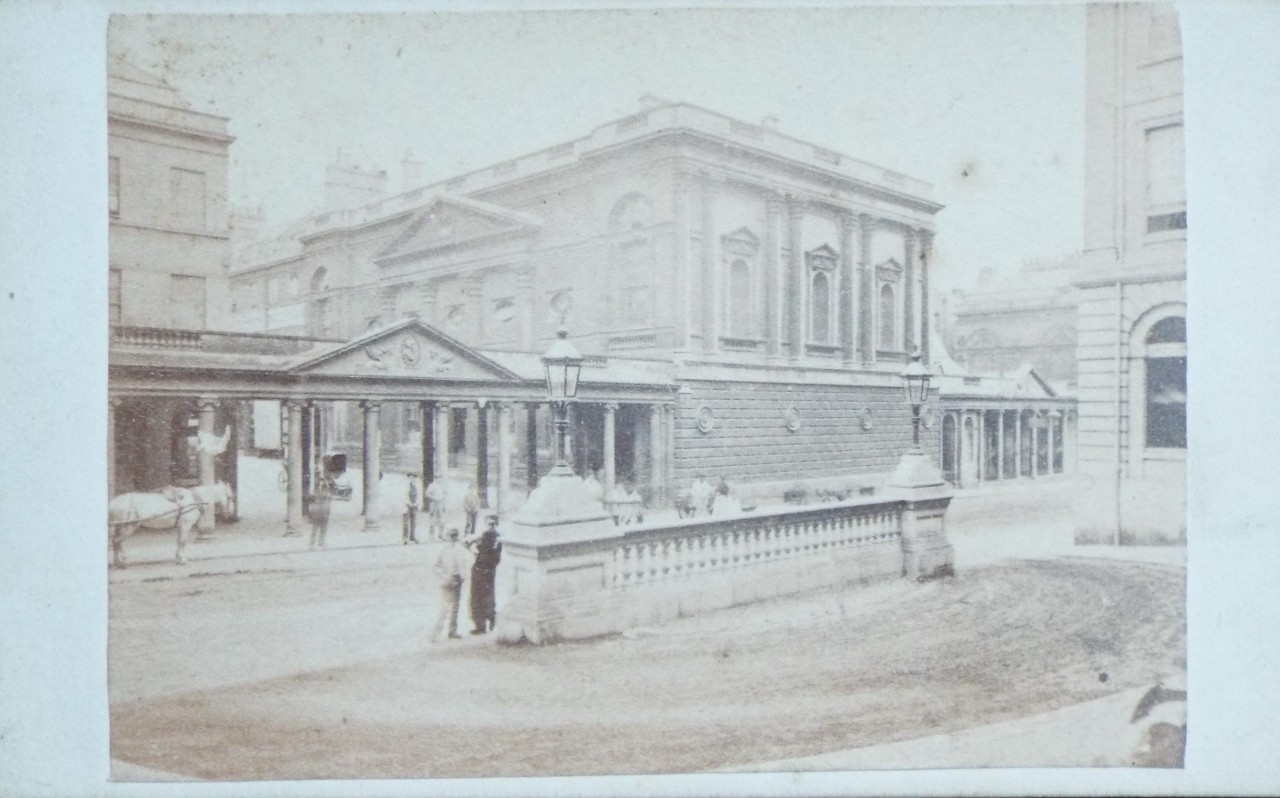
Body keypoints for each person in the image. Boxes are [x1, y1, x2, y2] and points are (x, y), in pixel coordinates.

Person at [430, 528, 471, 642]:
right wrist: (444, 576)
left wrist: (462, 576)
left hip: (457, 579)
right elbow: (435, 566)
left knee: (455, 608)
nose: (453, 538)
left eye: (455, 535)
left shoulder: (459, 549)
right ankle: (435, 633)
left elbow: (464, 564)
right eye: (451, 535)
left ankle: (452, 631)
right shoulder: (442, 550)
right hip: (446, 580)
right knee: (444, 608)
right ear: (446, 536)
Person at [466, 514, 503, 634]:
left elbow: (467, 543)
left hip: (485, 569)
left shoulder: (494, 537)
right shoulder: (491, 536)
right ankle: (482, 624)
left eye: (493, 524)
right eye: (489, 524)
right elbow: (467, 543)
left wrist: (474, 549)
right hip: (481, 569)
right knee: (479, 597)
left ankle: (488, 620)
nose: (491, 527)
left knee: (484, 597)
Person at [306, 477, 332, 549]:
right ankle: (317, 543)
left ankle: (316, 543)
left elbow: (310, 502)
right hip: (320, 512)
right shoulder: (326, 494)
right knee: (318, 528)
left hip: (321, 512)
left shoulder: (318, 494)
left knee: (319, 528)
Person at [424, 476, 448, 541]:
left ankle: (441, 535)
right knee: (432, 520)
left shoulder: (443, 486)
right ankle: (431, 536)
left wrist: (443, 497)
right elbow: (427, 494)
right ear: (435, 479)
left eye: (440, 478)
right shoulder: (432, 486)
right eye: (438, 478)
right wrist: (434, 497)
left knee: (442, 520)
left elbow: (446, 494)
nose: (439, 480)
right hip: (434, 504)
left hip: (441, 504)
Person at [403, 472, 421, 544]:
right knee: (406, 523)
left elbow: (419, 496)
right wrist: (409, 503)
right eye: (410, 477)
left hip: (414, 506)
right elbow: (404, 496)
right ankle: (405, 538)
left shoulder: (417, 486)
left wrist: (416, 503)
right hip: (407, 506)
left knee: (414, 523)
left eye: (413, 478)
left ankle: (412, 537)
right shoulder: (405, 486)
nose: (412, 479)